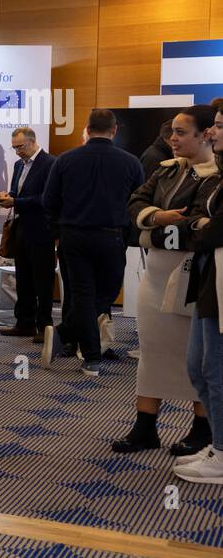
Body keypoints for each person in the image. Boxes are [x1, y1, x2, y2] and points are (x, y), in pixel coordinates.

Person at [111, 105, 219, 454]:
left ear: (204, 134)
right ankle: (146, 427)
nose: (172, 138)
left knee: (198, 360)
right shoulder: (165, 170)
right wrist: (158, 218)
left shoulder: (216, 176)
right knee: (152, 351)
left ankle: (201, 430)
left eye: (181, 132)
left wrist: (154, 226)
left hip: (195, 275)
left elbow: (201, 225)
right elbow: (135, 203)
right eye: (172, 131)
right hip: (157, 272)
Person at [40, 108, 144, 377]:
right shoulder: (131, 162)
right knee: (106, 294)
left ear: (87, 128)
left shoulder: (65, 160)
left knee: (84, 296)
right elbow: (138, 205)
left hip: (72, 237)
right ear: (114, 129)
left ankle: (76, 344)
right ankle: (89, 354)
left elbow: (48, 202)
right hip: (112, 237)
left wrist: (58, 231)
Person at [179, 102, 223, 483]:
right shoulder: (213, 177)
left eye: (220, 127)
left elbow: (212, 230)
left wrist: (203, 227)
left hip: (221, 282)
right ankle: (218, 445)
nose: (212, 132)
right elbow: (195, 222)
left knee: (214, 368)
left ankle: (222, 452)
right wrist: (201, 225)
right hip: (208, 280)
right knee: (197, 366)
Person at [0, 127, 57, 340]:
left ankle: (44, 327)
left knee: (42, 280)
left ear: (32, 142)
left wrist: (17, 201)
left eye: (20, 147)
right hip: (21, 229)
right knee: (23, 279)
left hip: (42, 231)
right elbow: (18, 192)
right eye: (14, 148)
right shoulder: (18, 164)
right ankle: (24, 323)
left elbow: (47, 199)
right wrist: (8, 196)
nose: (17, 152)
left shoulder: (50, 163)